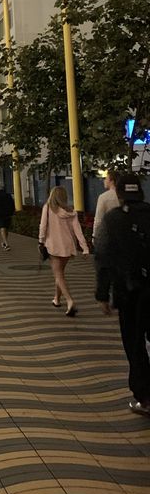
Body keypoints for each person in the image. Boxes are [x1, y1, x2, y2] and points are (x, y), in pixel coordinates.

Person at [94, 173, 150, 417]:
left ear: (119, 194)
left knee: (134, 343)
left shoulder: (112, 219)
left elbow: (103, 257)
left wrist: (102, 294)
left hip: (128, 292)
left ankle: (145, 397)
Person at [38, 185, 89, 316]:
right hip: (68, 246)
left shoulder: (48, 208)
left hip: (54, 246)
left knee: (58, 274)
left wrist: (41, 241)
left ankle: (70, 300)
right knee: (60, 273)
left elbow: (43, 226)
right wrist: (85, 248)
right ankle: (56, 298)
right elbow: (78, 231)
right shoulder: (71, 211)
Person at [92, 170, 119, 241]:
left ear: (112, 181)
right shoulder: (123, 196)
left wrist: (95, 236)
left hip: (108, 235)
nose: (104, 181)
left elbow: (98, 219)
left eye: (106, 178)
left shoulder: (103, 197)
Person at [0, 186, 15, 250]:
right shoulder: (8, 196)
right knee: (6, 229)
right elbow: (12, 204)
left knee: (2, 228)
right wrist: (12, 212)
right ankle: (5, 242)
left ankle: (6, 243)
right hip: (8, 214)